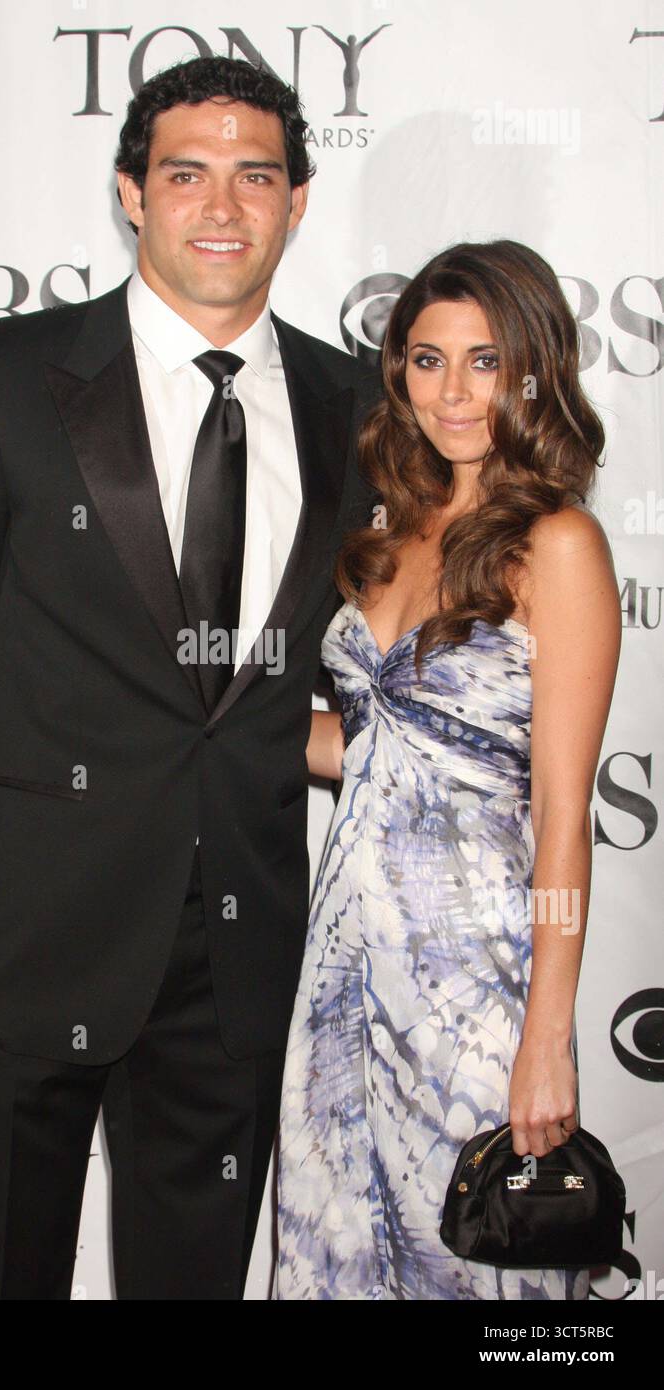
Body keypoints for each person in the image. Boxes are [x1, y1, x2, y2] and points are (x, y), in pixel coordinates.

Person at [0, 55, 381, 1299]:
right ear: (129, 194)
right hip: (20, 933)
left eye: (255, 177)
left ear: (296, 203)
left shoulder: (353, 404)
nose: (220, 207)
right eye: (185, 174)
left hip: (238, 945)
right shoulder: (1, 377)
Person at [276, 239, 622, 1300]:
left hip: (465, 984)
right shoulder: (392, 527)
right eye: (426, 361)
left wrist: (544, 1038)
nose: (452, 391)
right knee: (336, 1260)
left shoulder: (556, 543)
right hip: (339, 970)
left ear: (531, 372)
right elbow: (369, 747)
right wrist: (197, 717)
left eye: (483, 361)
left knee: (463, 1274)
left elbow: (561, 820)